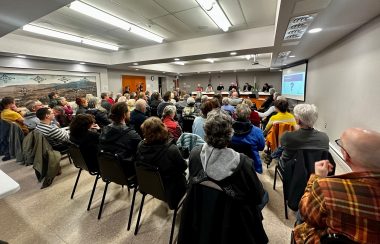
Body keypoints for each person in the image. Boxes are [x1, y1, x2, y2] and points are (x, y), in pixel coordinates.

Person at [187, 109, 268, 243]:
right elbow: (257, 196)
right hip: (233, 221)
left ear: (206, 132)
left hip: (200, 214)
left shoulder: (195, 154)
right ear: (230, 133)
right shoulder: (243, 163)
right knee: (265, 196)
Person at [294, 128, 380, 243]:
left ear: (346, 155)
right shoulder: (323, 137)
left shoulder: (327, 187)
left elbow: (308, 215)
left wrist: (317, 177)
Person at [136, 117, 187, 208]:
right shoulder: (171, 150)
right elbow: (183, 167)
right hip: (170, 189)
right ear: (162, 128)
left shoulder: (140, 146)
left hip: (149, 185)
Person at [99, 102, 142, 178]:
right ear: (124, 115)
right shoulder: (131, 134)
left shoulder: (104, 130)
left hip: (108, 170)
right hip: (127, 172)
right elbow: (141, 149)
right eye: (128, 111)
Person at [231, 104, 265, 173]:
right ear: (249, 115)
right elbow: (261, 147)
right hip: (252, 166)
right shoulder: (257, 131)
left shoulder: (228, 130)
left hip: (232, 164)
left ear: (235, 114)